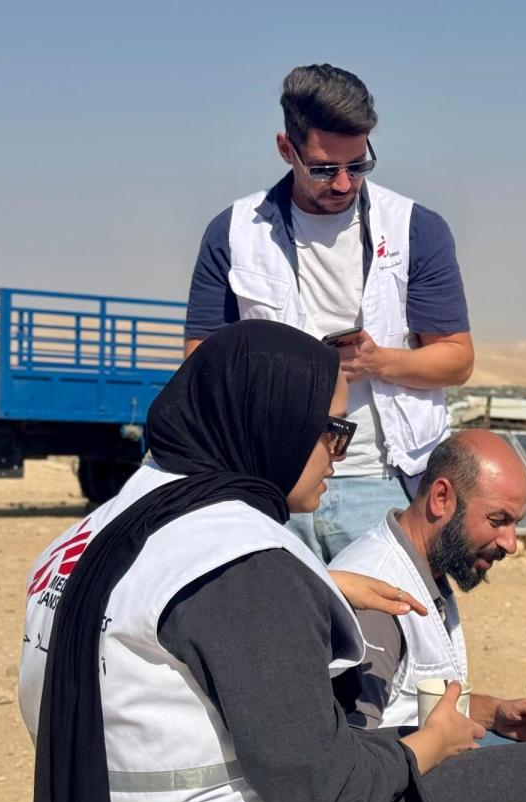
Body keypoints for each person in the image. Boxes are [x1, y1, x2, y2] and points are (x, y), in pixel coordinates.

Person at [18, 320, 526, 802]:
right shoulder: (242, 561)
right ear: (271, 418)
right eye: (331, 430)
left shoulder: (89, 538)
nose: (339, 454)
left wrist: (313, 585)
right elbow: (332, 799)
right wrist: (429, 744)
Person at [184, 63, 473, 562]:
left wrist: (378, 362)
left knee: (396, 615)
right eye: (323, 169)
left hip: (385, 485)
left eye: (358, 165)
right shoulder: (232, 232)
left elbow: (457, 359)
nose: (343, 183)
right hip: (272, 483)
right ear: (286, 149)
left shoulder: (415, 229)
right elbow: (200, 362)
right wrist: (284, 375)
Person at [330, 430, 526, 745]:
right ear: (441, 498)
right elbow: (352, 753)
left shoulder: (425, 567)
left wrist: (493, 713)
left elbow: (410, 703)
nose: (511, 543)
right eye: (497, 520)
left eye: (515, 523)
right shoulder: (377, 599)